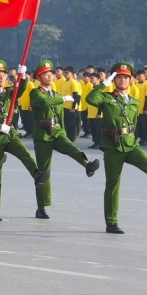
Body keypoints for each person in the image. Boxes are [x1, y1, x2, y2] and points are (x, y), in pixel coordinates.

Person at [85, 62, 147, 234]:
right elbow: (90, 98)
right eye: (119, 77)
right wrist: (105, 82)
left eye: (126, 77)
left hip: (130, 143)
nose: (123, 80)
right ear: (114, 79)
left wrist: (135, 139)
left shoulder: (134, 101)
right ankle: (111, 222)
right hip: (113, 147)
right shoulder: (106, 98)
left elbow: (134, 124)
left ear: (131, 80)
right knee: (113, 184)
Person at [0, 59, 50, 221]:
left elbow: (21, 88)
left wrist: (22, 75)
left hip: (10, 134)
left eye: (4, 74)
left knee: (25, 154)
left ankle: (37, 175)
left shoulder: (10, 92)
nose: (2, 77)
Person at [29, 60, 100, 219]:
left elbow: (59, 115)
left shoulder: (55, 93)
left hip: (56, 131)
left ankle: (87, 165)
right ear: (39, 77)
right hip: (42, 135)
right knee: (43, 172)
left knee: (71, 147)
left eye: (51, 74)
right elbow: (45, 102)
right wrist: (63, 99)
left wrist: (62, 129)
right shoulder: (36, 92)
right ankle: (41, 207)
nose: (49, 76)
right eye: (45, 74)